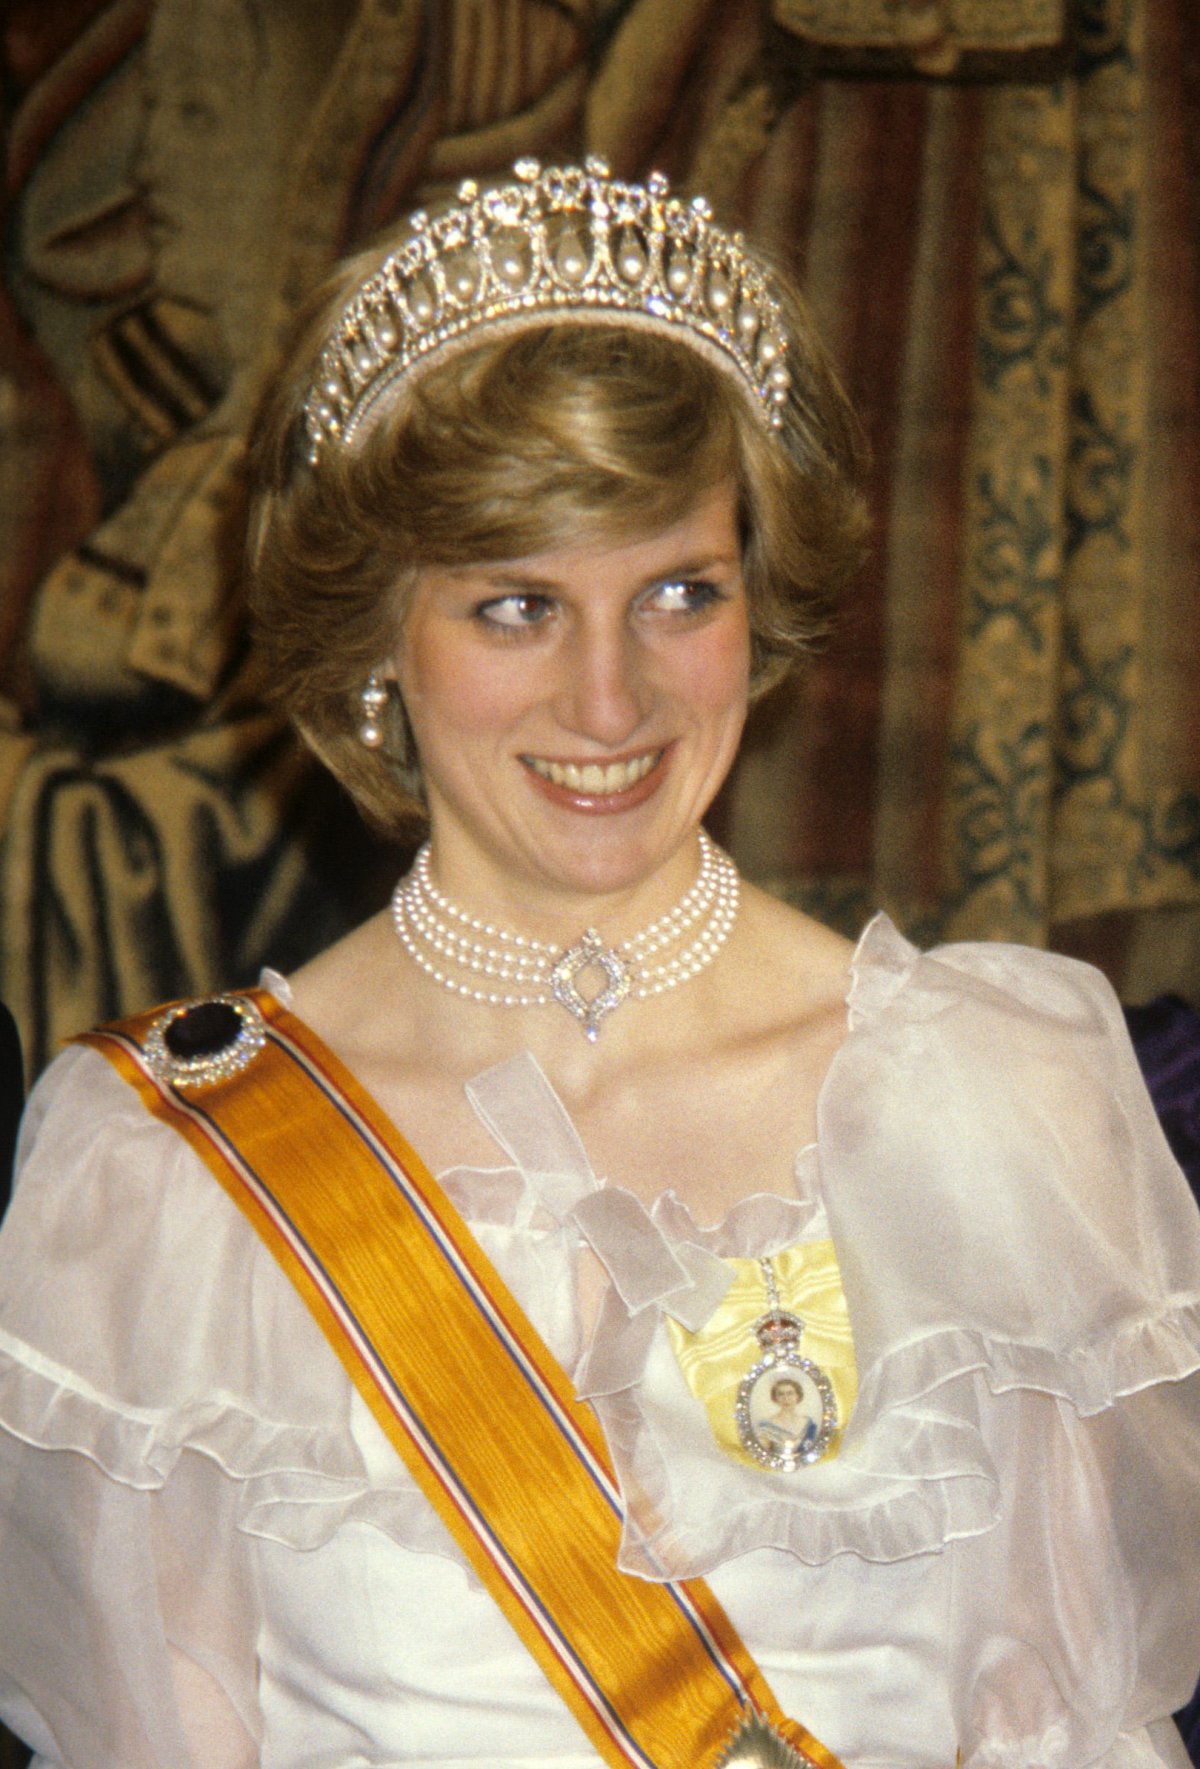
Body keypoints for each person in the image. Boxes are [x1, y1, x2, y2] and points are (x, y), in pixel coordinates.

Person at [0, 155, 1198, 1769]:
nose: (612, 701)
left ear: (757, 600)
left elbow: (1077, 1735)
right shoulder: (164, 1177)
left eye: (678, 592)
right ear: (380, 642)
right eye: (515, 607)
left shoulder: (992, 1101)